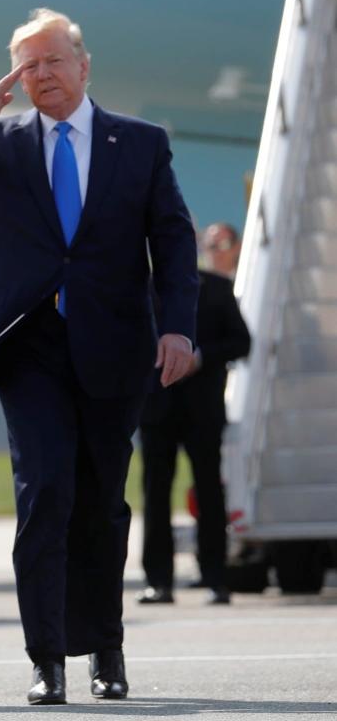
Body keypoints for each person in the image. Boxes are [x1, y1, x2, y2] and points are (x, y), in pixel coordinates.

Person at [0, 8, 199, 705]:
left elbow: (175, 240)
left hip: (114, 344)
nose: (41, 75)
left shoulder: (141, 142)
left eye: (52, 61)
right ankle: (47, 659)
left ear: (83, 64)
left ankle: (105, 646)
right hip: (27, 347)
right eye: (27, 65)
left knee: (101, 502)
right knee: (45, 494)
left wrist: (179, 329)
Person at [138, 223, 250, 605]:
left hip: (202, 408)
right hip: (157, 407)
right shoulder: (142, 289)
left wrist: (200, 357)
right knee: (155, 492)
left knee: (208, 492)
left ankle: (216, 577)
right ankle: (158, 580)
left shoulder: (215, 288)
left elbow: (241, 340)